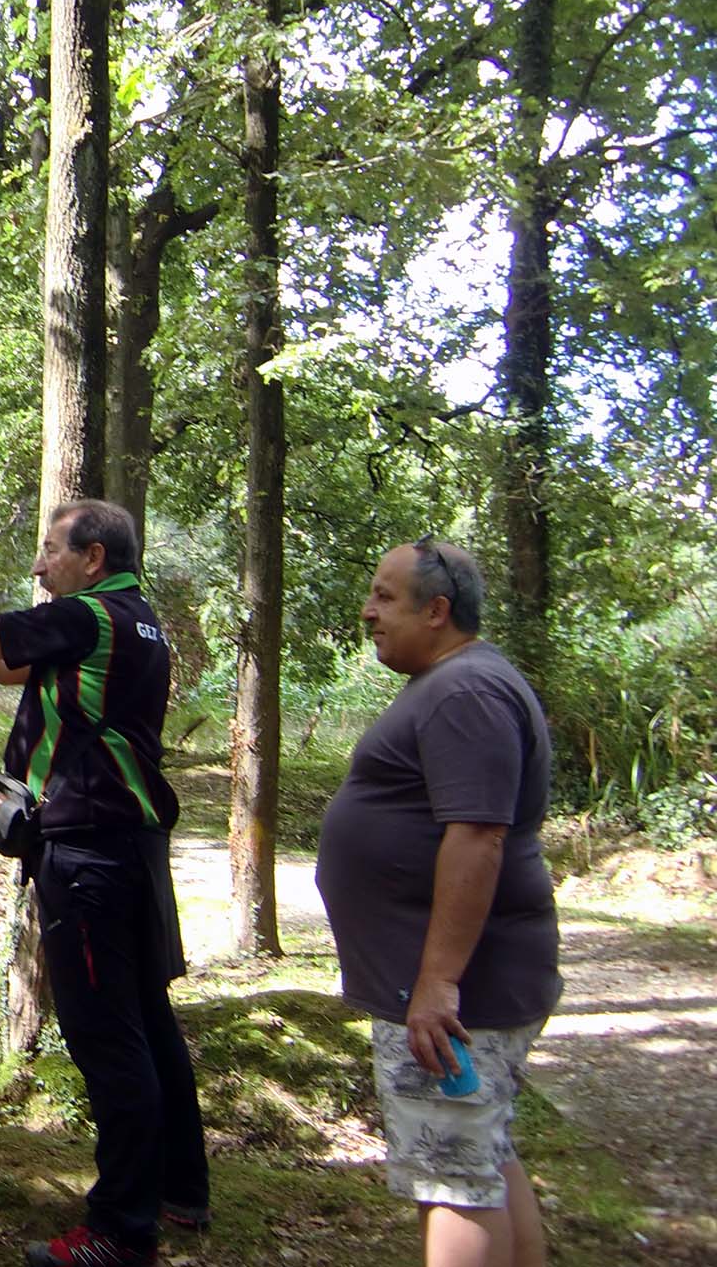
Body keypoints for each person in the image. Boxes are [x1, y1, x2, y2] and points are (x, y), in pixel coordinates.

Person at [0, 500, 208, 1267]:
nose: (38, 565)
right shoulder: (132, 621)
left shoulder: (89, 616)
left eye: (51, 550)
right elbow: (0, 663)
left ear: (93, 558)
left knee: (106, 1038)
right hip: (130, 846)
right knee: (147, 1020)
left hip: (87, 857)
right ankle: (181, 1190)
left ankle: (121, 1232)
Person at [316, 538, 561, 1267]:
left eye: (385, 596)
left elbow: (479, 836)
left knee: (452, 1181)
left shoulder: (465, 692)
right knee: (481, 1158)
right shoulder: (455, 683)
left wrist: (437, 982)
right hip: (454, 988)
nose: (368, 611)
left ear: (437, 611)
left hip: (455, 997)